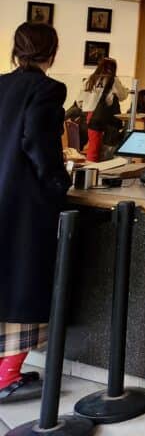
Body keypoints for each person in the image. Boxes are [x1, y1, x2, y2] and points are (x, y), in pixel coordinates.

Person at [0, 23, 70, 403]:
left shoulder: (0, 84)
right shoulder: (47, 89)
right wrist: (58, 184)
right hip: (26, 202)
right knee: (25, 282)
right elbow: (37, 142)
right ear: (52, 52)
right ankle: (6, 375)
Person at [78, 57, 128, 162]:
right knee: (99, 148)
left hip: (89, 115)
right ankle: (91, 172)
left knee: (93, 146)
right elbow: (123, 96)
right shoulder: (112, 80)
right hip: (103, 116)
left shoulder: (90, 79)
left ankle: (92, 171)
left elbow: (79, 101)